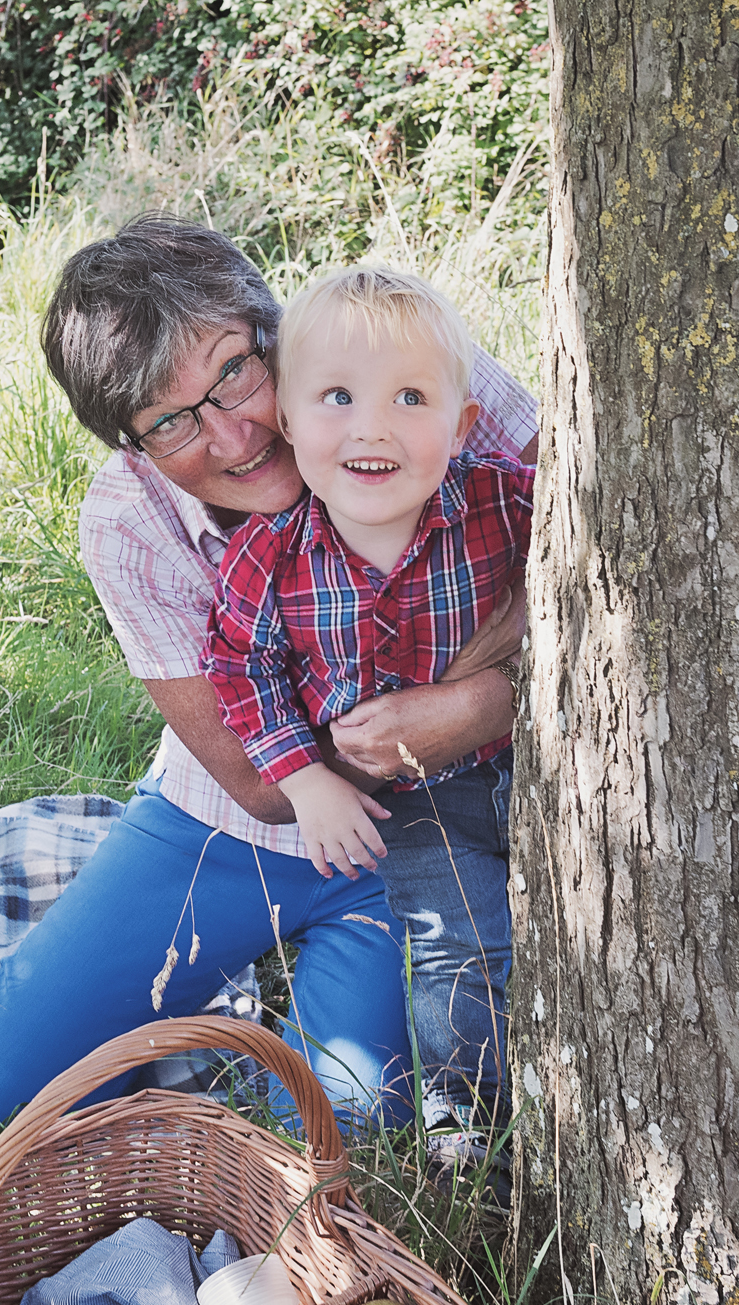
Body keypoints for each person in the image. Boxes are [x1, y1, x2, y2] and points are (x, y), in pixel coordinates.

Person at [0, 216, 537, 1139]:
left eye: (233, 372)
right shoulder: (127, 521)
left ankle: (294, 1042)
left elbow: (580, 535)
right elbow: (255, 784)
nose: (233, 434)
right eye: (170, 421)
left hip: (419, 835)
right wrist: (451, 705)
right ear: (132, 447)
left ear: (272, 333)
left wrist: (481, 708)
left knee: (352, 1119)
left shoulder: (399, 361)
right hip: (239, 825)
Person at [203, 267, 532, 1151]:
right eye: (337, 396)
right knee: (458, 942)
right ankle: (470, 1123)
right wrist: (305, 780)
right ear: (288, 419)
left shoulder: (505, 500)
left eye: (411, 398)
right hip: (419, 799)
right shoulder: (271, 558)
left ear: (461, 426)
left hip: (538, 764)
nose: (371, 426)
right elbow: (238, 666)